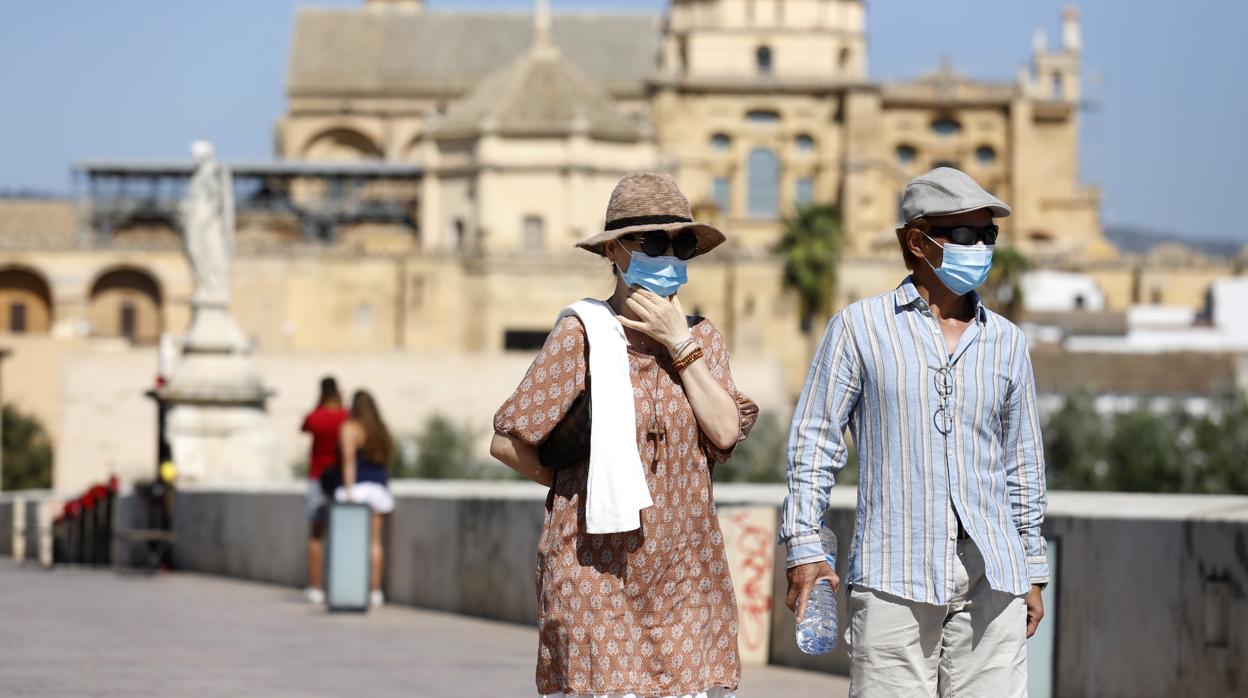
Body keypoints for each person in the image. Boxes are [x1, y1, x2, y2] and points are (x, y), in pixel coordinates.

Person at [779, 167, 1049, 697]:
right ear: (918, 242)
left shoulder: (1009, 343)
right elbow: (815, 442)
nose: (982, 248)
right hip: (892, 576)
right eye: (967, 236)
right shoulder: (860, 327)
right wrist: (805, 547)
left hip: (993, 578)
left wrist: (1032, 568)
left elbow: (1023, 463)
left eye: (989, 236)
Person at [491, 172, 759, 698]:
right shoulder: (582, 335)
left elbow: (725, 433)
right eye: (654, 242)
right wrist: (586, 484)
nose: (670, 255)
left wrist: (679, 344)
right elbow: (508, 441)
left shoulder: (703, 338)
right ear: (616, 250)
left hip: (684, 571)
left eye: (680, 243)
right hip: (595, 569)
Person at [326, 390, 396, 608]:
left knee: (348, 544)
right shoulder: (381, 430)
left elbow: (348, 461)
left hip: (357, 489)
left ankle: (350, 587)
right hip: (379, 490)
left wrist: (348, 492)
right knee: (375, 542)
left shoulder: (350, 428)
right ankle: (375, 591)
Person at [301, 376, 348, 604]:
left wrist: (317, 405)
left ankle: (316, 586)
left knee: (316, 534)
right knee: (342, 533)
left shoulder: (315, 417)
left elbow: (304, 426)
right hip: (339, 478)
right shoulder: (345, 417)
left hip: (317, 478)